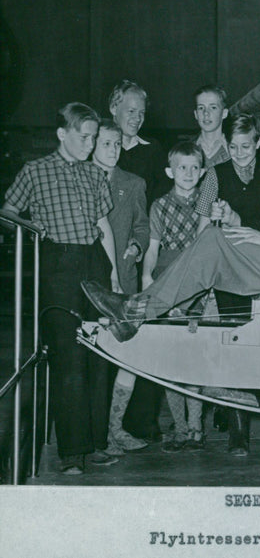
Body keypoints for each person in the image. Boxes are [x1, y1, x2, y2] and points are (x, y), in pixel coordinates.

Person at [82, 103, 260, 459]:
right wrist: (241, 225)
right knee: (217, 240)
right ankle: (139, 311)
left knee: (213, 241)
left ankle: (136, 311)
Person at [3, 103, 120, 475]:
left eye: (93, 137)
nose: (90, 144)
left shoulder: (94, 175)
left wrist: (114, 275)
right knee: (69, 358)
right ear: (62, 134)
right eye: (83, 137)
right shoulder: (34, 171)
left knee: (100, 357)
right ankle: (72, 453)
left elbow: (104, 223)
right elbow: (6, 212)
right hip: (58, 266)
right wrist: (34, 230)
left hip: (95, 263)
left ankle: (97, 444)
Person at [195, 113, 260, 456]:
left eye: (246, 147)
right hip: (229, 273)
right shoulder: (214, 176)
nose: (239, 153)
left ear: (259, 143)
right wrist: (203, 273)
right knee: (235, 347)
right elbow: (203, 227)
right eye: (233, 147)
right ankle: (239, 434)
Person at [108, 79, 168, 442]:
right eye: (130, 111)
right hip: (105, 251)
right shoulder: (99, 147)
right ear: (113, 108)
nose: (137, 118)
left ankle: (141, 420)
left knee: (146, 338)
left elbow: (156, 207)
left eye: (142, 113)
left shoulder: (154, 151)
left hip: (138, 254)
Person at [142, 141, 208, 452]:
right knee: (170, 362)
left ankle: (196, 428)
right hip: (167, 285)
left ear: (203, 171)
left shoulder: (207, 205)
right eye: (182, 167)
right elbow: (152, 249)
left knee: (194, 361)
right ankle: (179, 429)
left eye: (195, 167)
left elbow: (207, 251)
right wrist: (147, 279)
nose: (189, 173)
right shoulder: (159, 206)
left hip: (195, 286)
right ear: (170, 171)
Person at [91, 120, 150, 454]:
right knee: (96, 359)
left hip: (124, 279)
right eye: (106, 143)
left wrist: (138, 247)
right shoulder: (79, 179)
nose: (113, 150)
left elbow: (142, 225)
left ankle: (116, 428)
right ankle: (97, 433)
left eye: (117, 144)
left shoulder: (134, 183)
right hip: (91, 277)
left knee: (128, 356)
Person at [193, 84, 231, 168]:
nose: (206, 113)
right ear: (196, 114)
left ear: (224, 113)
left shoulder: (235, 151)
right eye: (201, 108)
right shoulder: (186, 150)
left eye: (213, 107)